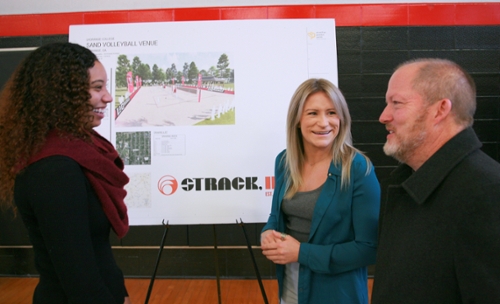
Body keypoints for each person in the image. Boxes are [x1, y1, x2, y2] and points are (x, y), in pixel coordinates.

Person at [0, 42, 131, 304]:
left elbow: (96, 251)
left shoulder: (79, 151)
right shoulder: (55, 170)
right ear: (61, 93)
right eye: (97, 88)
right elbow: (78, 277)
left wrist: (121, 293)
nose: (107, 97)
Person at [371, 58, 500, 303]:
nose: (383, 116)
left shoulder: (487, 194)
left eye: (396, 103)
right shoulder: (409, 183)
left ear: (440, 110)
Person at [261, 78, 380, 304]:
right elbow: (276, 218)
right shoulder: (284, 162)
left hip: (337, 295)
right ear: (297, 119)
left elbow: (369, 248)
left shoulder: (358, 169)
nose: (324, 123)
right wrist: (267, 233)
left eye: (332, 113)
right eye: (313, 113)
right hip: (291, 289)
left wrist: (301, 253)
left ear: (341, 118)